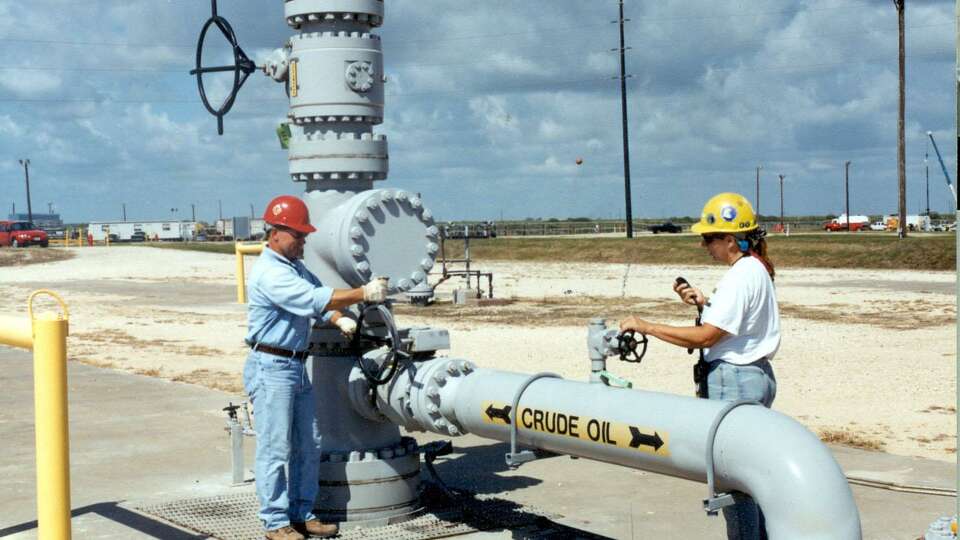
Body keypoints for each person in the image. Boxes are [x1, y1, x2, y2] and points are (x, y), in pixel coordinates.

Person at [619, 192, 778, 540]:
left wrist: (646, 326)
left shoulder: (741, 276)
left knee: (734, 485)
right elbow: (733, 324)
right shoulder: (754, 269)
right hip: (754, 377)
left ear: (731, 240)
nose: (704, 246)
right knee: (752, 480)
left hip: (735, 382)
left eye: (709, 238)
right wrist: (704, 302)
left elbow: (706, 338)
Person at [243, 195, 389, 540]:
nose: (303, 241)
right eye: (298, 235)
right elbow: (311, 298)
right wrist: (362, 293)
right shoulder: (270, 273)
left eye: (305, 235)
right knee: (276, 448)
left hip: (296, 364)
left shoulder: (293, 267)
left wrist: (337, 318)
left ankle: (302, 512)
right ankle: (275, 522)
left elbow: (318, 294)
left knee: (309, 442)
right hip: (272, 367)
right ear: (276, 232)